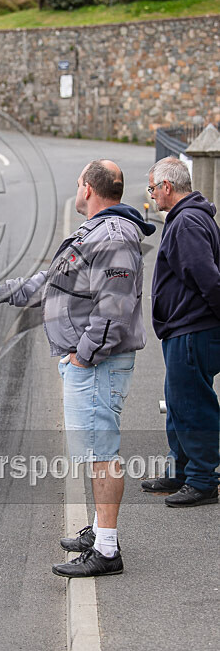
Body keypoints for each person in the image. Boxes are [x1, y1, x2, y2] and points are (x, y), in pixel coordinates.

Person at [0, 160, 156, 577]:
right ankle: (99, 531)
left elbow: (114, 307)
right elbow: (51, 281)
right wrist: (1, 291)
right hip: (91, 363)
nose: (76, 191)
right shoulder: (97, 232)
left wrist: (84, 354)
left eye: (77, 184)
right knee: (94, 451)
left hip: (97, 364)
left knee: (102, 454)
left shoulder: (112, 235)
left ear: (88, 189)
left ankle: (107, 550)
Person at [142, 157, 219, 507]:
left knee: (192, 404)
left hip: (192, 327)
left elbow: (207, 279)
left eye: (152, 188)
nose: (152, 195)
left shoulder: (186, 221)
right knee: (177, 402)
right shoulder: (188, 218)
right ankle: (182, 470)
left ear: (167, 187)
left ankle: (203, 479)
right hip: (184, 327)